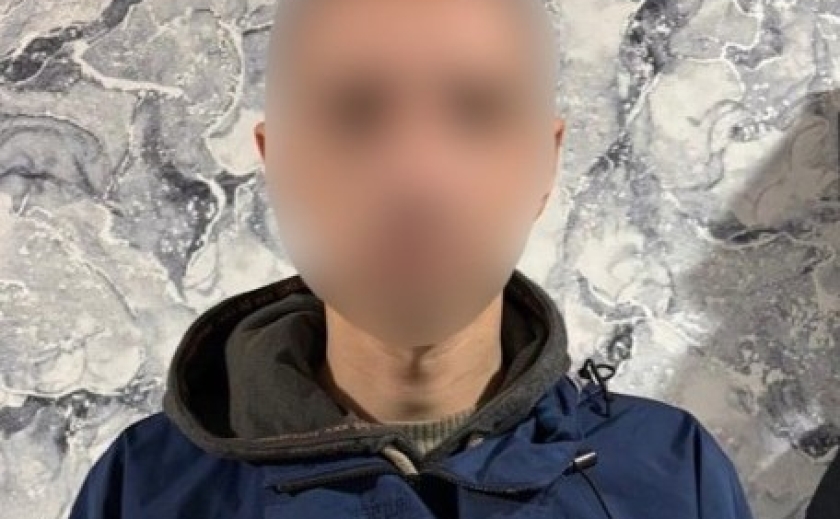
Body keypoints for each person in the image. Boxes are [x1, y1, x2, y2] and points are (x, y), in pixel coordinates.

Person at [68, 0, 754, 517]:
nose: (418, 176)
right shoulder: (145, 487)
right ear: (276, 163)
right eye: (354, 112)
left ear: (543, 165)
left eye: (477, 111)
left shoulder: (671, 476)